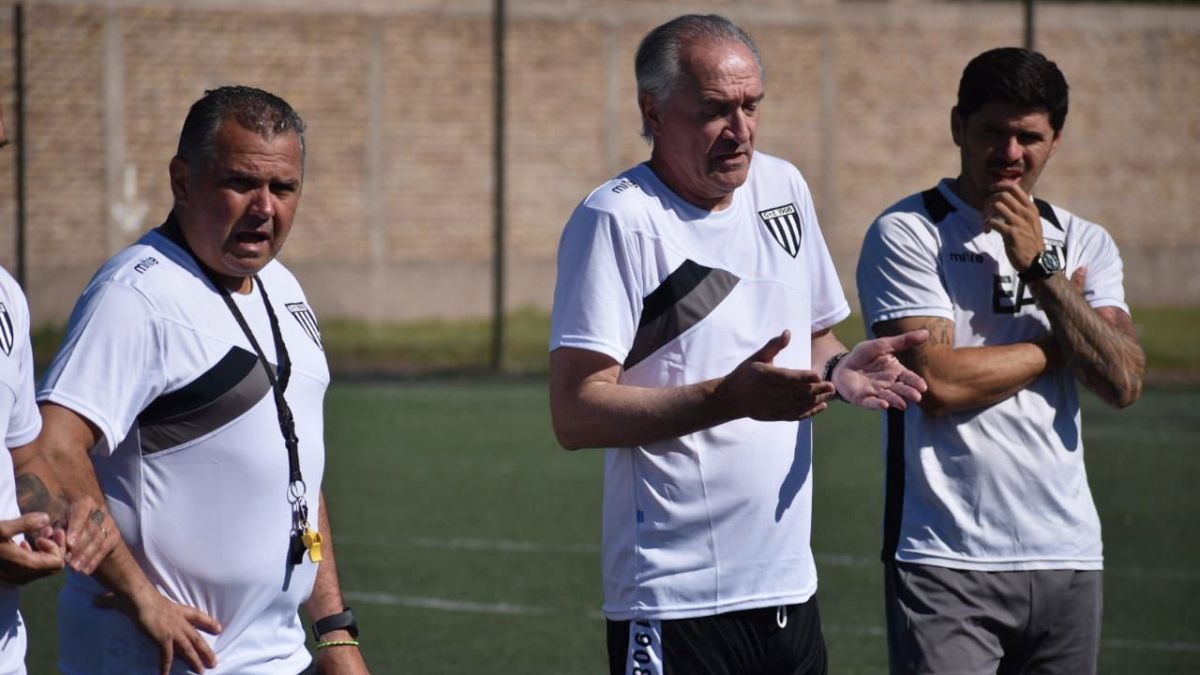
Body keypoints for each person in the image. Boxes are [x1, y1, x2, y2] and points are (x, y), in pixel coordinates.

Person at [549, 14, 928, 675]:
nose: (741, 129)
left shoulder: (783, 188)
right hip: (673, 595)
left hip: (788, 587)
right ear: (653, 111)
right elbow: (576, 412)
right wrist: (729, 399)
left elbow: (812, 340)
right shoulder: (618, 218)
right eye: (716, 110)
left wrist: (840, 367)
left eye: (752, 105)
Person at [35, 86, 368, 674]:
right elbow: (50, 449)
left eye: (283, 188)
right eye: (241, 182)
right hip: (157, 660)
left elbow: (297, 469)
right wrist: (140, 595)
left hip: (280, 657)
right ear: (182, 181)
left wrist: (335, 632)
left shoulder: (282, 286)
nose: (265, 207)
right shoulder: (137, 296)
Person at [856, 47, 1146, 675]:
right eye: (993, 131)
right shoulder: (909, 232)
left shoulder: (1084, 240)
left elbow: (1122, 379)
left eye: (1029, 136)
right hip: (946, 557)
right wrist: (1066, 343)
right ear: (959, 127)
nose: (1010, 152)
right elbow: (937, 381)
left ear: (1054, 140)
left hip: (1068, 557)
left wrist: (1042, 269)